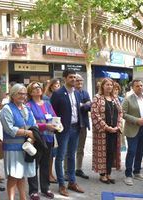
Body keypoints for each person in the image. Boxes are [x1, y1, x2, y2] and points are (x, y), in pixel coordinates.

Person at [50, 69, 84, 197]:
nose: (74, 80)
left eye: (75, 77)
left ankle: (72, 182)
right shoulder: (58, 93)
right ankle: (61, 185)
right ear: (65, 78)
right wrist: (56, 128)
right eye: (71, 77)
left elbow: (78, 110)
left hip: (75, 128)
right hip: (63, 130)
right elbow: (53, 113)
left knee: (71, 156)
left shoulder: (77, 93)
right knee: (60, 157)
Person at [0, 83, 36, 200]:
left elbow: (33, 125)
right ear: (13, 95)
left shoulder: (27, 108)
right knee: (13, 176)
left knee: (22, 175)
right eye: (19, 93)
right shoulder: (7, 109)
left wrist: (32, 136)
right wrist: (27, 133)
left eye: (24, 93)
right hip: (13, 148)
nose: (23, 96)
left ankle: (22, 197)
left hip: (26, 147)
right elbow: (9, 129)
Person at [26, 81, 56, 200]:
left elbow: (54, 116)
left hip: (49, 138)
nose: (38, 89)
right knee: (34, 165)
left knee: (45, 164)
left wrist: (57, 124)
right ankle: (33, 191)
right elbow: (30, 123)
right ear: (30, 92)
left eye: (39, 87)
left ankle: (45, 188)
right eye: (34, 88)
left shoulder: (47, 103)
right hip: (37, 139)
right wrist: (45, 126)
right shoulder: (28, 105)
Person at [91, 78, 123, 184]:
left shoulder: (115, 98)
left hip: (114, 130)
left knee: (111, 152)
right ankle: (102, 175)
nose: (109, 86)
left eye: (111, 85)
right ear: (102, 86)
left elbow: (120, 113)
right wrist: (106, 127)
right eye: (107, 84)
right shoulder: (97, 98)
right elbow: (95, 114)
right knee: (103, 153)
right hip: (103, 131)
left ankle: (109, 173)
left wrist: (118, 126)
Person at [122, 79, 143, 186]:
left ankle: (137, 172)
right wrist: (136, 120)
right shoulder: (128, 99)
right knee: (132, 151)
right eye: (137, 86)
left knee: (140, 151)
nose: (140, 87)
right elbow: (123, 114)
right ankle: (128, 175)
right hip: (132, 129)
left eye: (141, 85)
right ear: (133, 88)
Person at [42, 78, 60, 183]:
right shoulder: (45, 98)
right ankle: (47, 174)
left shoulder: (59, 95)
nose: (57, 86)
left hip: (56, 127)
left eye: (58, 85)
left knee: (53, 153)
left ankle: (50, 173)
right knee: (48, 153)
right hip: (47, 128)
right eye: (55, 85)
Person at [75, 74, 91, 179]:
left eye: (81, 81)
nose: (80, 83)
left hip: (83, 124)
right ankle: (67, 170)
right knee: (70, 149)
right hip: (73, 125)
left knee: (81, 148)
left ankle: (78, 169)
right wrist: (84, 105)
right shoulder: (71, 93)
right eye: (78, 81)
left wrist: (83, 105)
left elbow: (90, 106)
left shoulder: (85, 93)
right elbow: (75, 107)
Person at [113, 82, 126, 152]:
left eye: (117, 89)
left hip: (120, 121)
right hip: (111, 122)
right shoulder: (109, 98)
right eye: (114, 89)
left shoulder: (121, 99)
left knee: (120, 139)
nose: (116, 91)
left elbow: (124, 110)